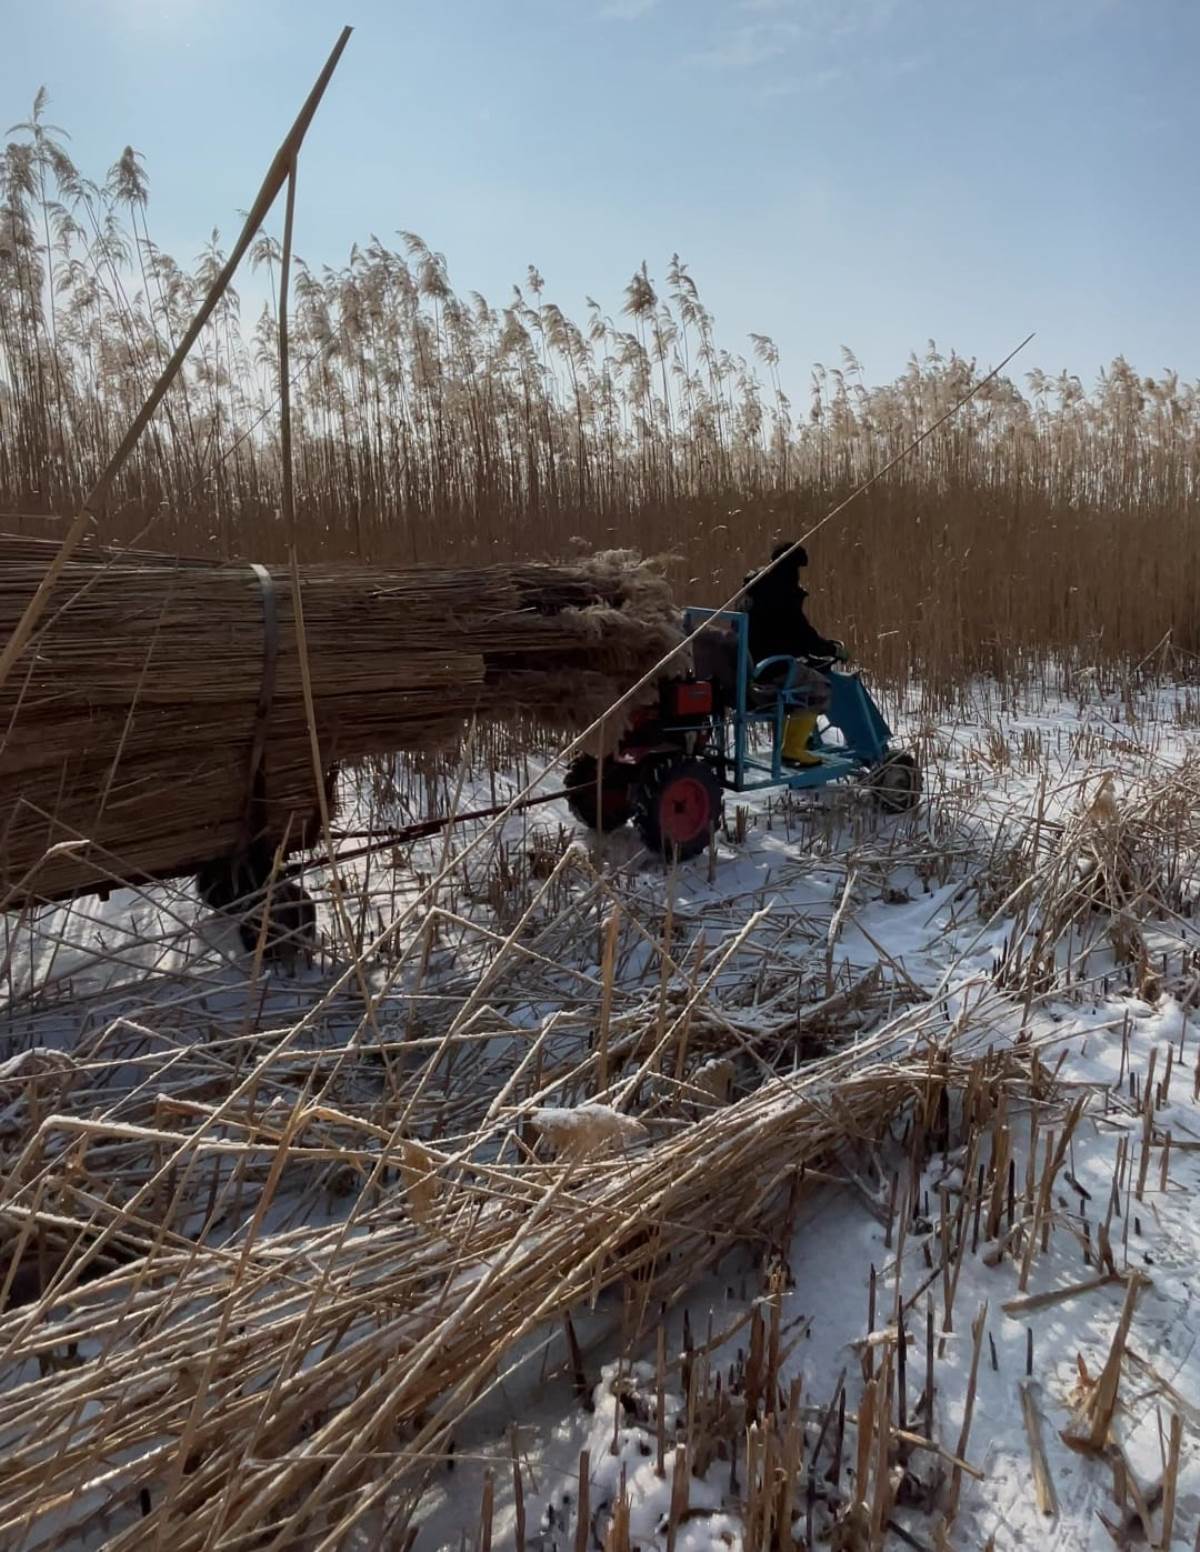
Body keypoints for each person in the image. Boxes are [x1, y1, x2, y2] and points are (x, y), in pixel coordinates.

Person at [743, 541, 847, 766]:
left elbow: (785, 635)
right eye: (798, 569)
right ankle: (792, 749)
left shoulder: (756, 590)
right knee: (820, 687)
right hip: (772, 667)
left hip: (752, 662)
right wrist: (831, 649)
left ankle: (794, 741)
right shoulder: (782, 595)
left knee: (804, 677)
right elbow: (802, 636)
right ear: (791, 568)